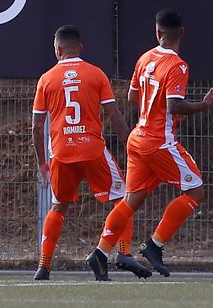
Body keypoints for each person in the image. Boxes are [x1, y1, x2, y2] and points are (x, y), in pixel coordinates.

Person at [86, 9, 213, 280]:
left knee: (131, 200)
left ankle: (100, 253)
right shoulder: (178, 65)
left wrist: (152, 103)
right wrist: (203, 105)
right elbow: (174, 105)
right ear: (182, 32)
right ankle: (155, 245)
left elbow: (134, 95)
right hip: (159, 141)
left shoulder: (145, 58)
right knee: (195, 192)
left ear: (157, 33)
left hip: (138, 137)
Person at [32, 25, 152, 281]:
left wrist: (42, 162)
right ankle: (122, 252)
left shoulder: (46, 78)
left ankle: (44, 266)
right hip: (92, 149)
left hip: (61, 153)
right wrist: (133, 148)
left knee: (58, 206)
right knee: (123, 199)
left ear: (57, 50)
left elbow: (36, 126)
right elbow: (115, 116)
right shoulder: (96, 74)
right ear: (81, 48)